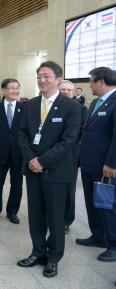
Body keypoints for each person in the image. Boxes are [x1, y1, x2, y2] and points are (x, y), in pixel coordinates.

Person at [17, 61, 81, 278]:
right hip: (33, 170)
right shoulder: (31, 104)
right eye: (39, 76)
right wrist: (31, 159)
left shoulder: (71, 107)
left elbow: (68, 141)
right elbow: (23, 134)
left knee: (55, 217)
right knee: (35, 214)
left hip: (56, 170)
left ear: (58, 79)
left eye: (46, 76)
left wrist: (42, 161)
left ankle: (53, 258)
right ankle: (38, 252)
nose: (42, 80)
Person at [76, 67, 116, 262]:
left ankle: (113, 244)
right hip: (89, 163)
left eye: (91, 81)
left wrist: (111, 163)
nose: (89, 85)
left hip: (106, 166)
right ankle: (98, 236)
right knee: (92, 202)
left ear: (101, 82)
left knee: (107, 205)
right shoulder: (96, 102)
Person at [0, 79, 24, 224]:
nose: (15, 91)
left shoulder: (24, 108)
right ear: (4, 90)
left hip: (18, 153)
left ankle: (12, 211)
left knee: (16, 184)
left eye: (17, 88)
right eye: (12, 88)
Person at [59, 80, 87, 234]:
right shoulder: (51, 108)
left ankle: (66, 221)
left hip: (71, 154)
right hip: (52, 155)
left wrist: (63, 145)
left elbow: (80, 130)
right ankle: (52, 217)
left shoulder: (81, 109)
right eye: (63, 89)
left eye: (69, 90)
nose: (66, 92)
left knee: (69, 188)